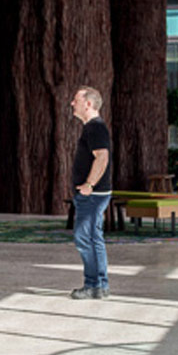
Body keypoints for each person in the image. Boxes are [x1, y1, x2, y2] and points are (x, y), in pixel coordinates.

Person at [69, 85, 113, 300]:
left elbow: (102, 157)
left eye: (76, 100)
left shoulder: (95, 128)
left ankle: (94, 284)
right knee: (93, 237)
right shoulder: (92, 128)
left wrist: (89, 184)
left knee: (83, 237)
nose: (72, 103)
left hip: (93, 196)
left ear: (88, 103)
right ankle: (99, 286)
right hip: (93, 195)